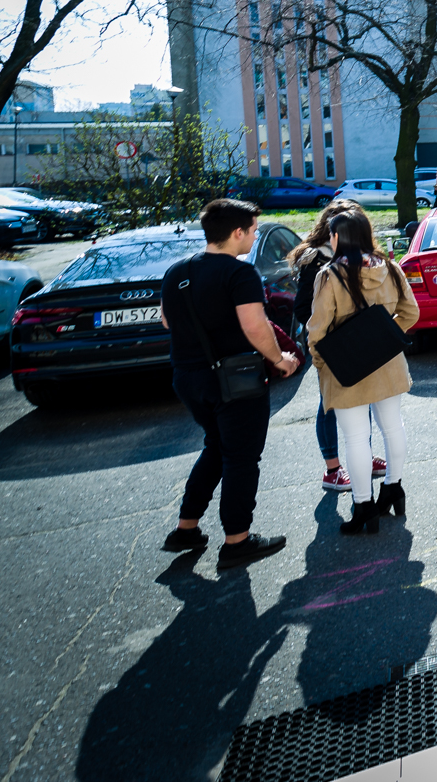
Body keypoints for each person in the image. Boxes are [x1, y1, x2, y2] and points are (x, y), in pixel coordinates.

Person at [158, 198, 300, 570]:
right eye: (253, 230)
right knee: (241, 458)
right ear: (237, 232)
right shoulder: (240, 273)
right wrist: (280, 359)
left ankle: (186, 528)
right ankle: (237, 540)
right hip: (234, 380)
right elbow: (255, 326)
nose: (254, 236)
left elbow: (168, 322)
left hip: (187, 377)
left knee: (217, 447)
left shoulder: (176, 271)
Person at [306, 211, 419, 535]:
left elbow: (317, 332)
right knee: (393, 427)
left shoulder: (330, 275)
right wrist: (383, 337)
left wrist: (321, 363)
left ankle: (364, 506)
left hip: (346, 368)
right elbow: (411, 312)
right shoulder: (391, 268)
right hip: (387, 363)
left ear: (337, 237)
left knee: (356, 438)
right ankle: (393, 488)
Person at [289, 200, 383, 494]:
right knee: (328, 404)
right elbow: (303, 308)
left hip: (358, 340)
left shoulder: (359, 255)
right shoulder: (316, 258)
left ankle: (364, 456)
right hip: (332, 343)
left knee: (363, 397)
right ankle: (332, 469)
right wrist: (330, 331)